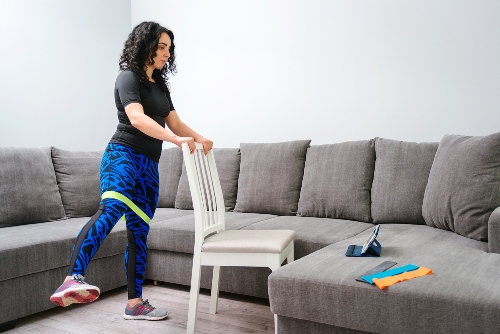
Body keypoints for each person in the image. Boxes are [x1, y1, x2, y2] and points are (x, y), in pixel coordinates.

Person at [49, 21, 213, 321]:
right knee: (111, 209)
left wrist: (200, 137)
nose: (166, 53)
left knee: (139, 232)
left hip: (149, 165)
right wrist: (175, 140)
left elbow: (174, 122)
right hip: (123, 155)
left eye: (169, 48)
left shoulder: (161, 86)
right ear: (145, 45)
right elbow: (136, 118)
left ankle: (135, 303)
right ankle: (72, 277)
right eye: (161, 46)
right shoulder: (127, 77)